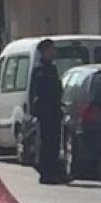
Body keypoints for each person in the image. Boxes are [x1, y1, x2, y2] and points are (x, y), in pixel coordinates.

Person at [28, 39, 66, 184]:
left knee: (55, 142)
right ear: (44, 51)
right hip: (45, 112)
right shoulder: (39, 69)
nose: (54, 52)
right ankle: (47, 173)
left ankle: (54, 171)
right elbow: (40, 93)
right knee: (47, 143)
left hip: (54, 110)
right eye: (51, 49)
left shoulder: (52, 68)